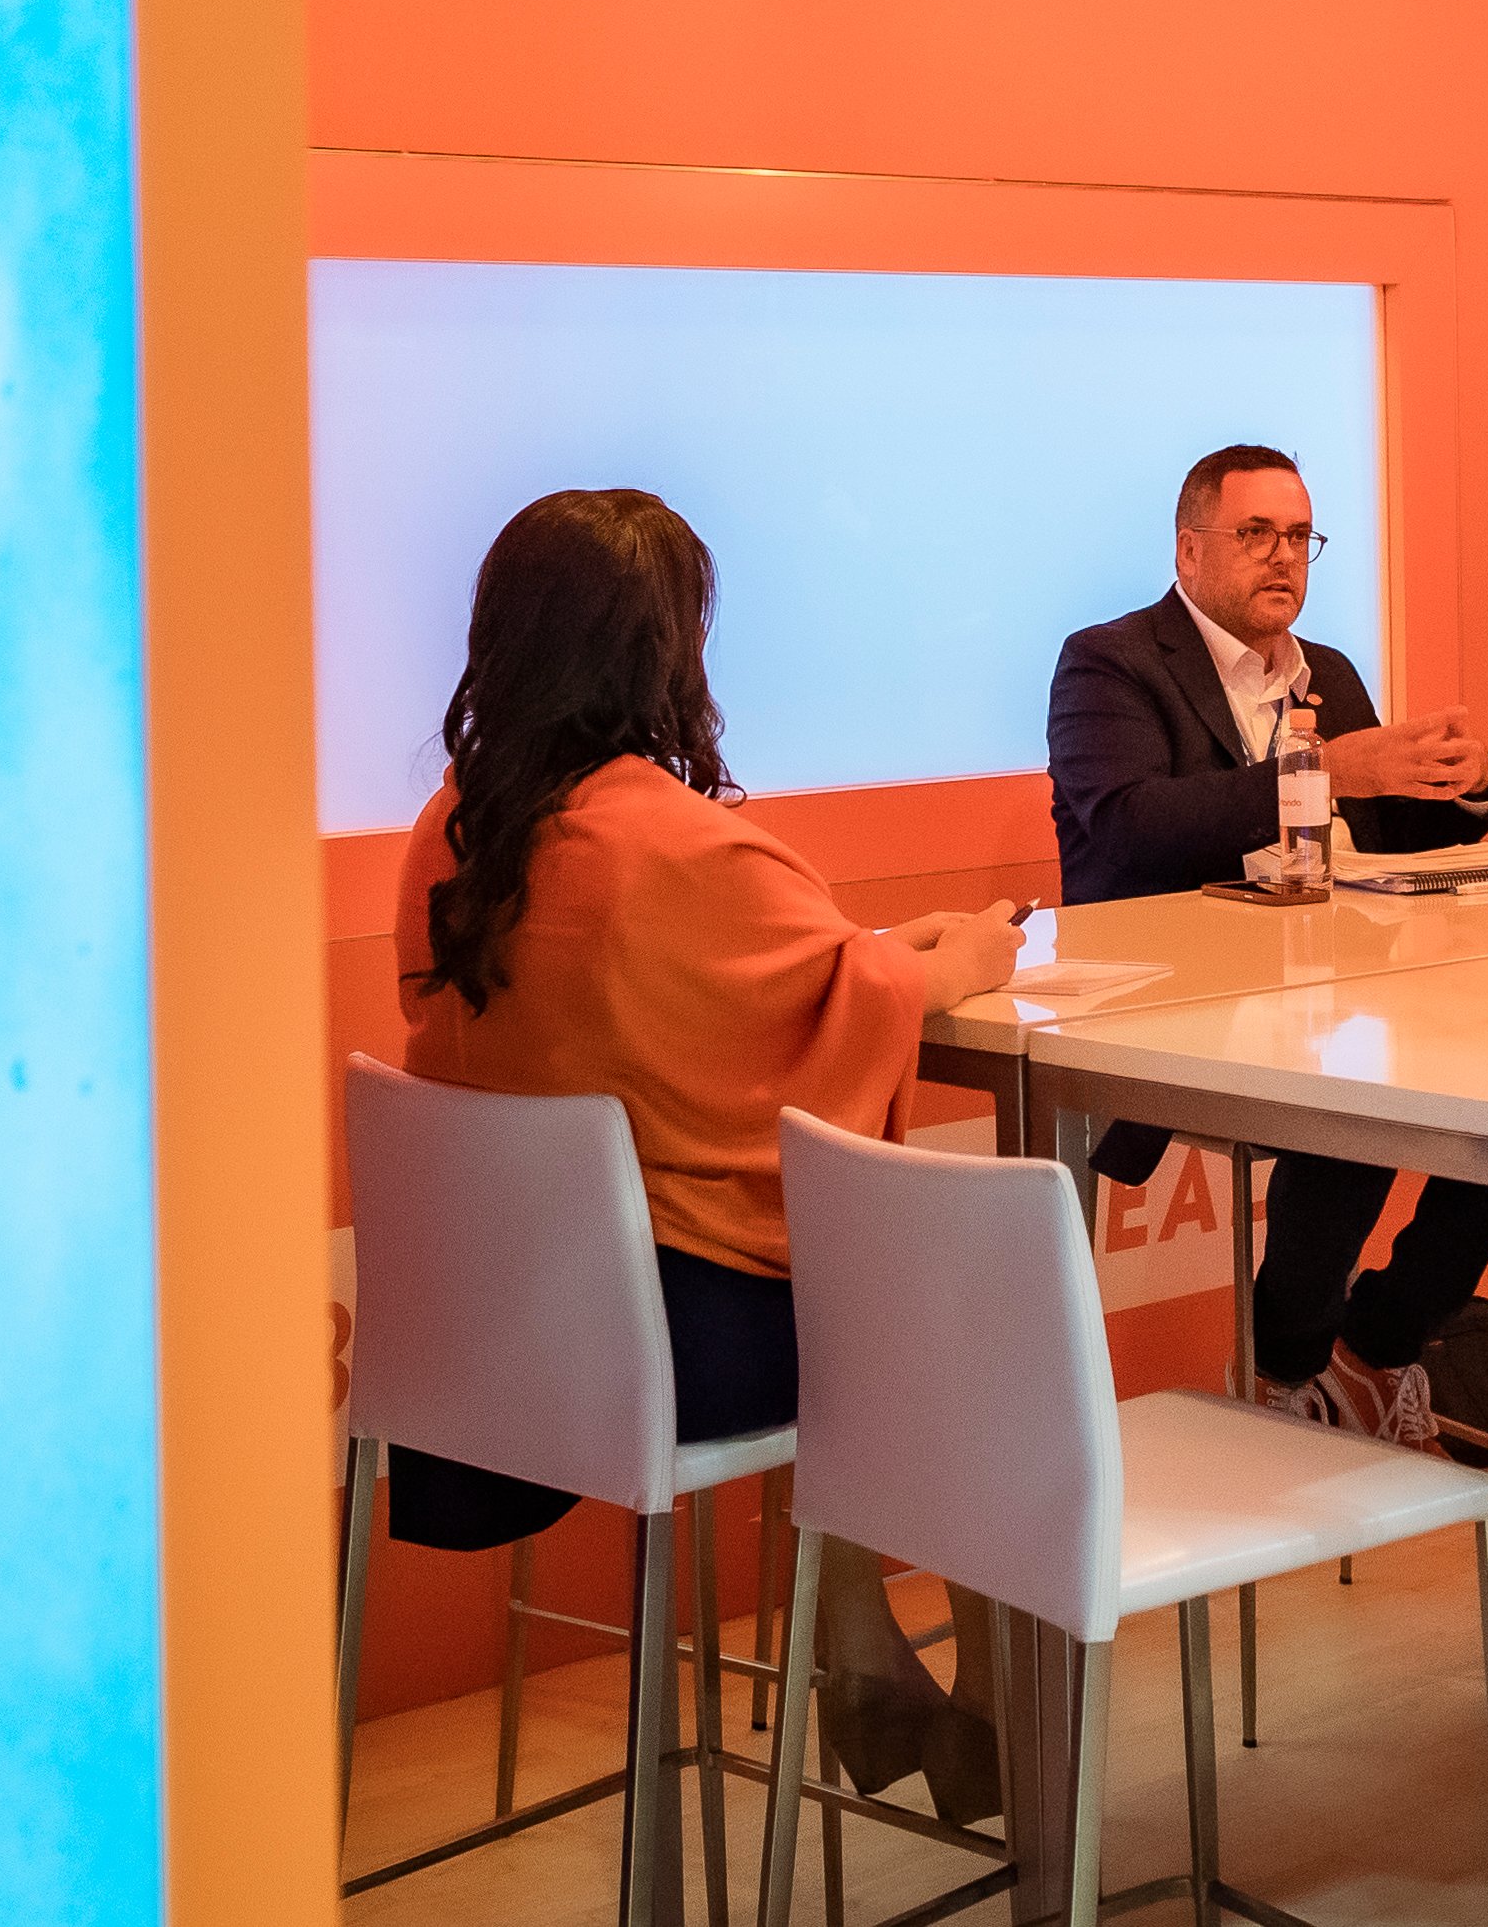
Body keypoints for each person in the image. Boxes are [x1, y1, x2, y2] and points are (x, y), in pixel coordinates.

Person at [389, 487, 1025, 1826]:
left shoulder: (453, 827)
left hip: (493, 1326)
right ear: (665, 645)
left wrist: (863, 969)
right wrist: (956, 954)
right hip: (655, 1336)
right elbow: (823, 1020)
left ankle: (856, 1640)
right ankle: (1002, 1728)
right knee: (965, 1315)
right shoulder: (675, 844)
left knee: (855, 1292)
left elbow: (731, 1005)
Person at [1046, 445, 1488, 1452]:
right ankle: (1286, 1366)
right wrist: (1317, 767)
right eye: (1256, 533)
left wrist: (1477, 780)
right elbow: (1128, 823)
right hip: (1168, 1005)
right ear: (1189, 548)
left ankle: (1376, 1342)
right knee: (1346, 1094)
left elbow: (1405, 839)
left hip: (1330, 988)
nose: (1284, 556)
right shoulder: (1111, 661)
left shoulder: (1331, 673)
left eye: (1300, 535)